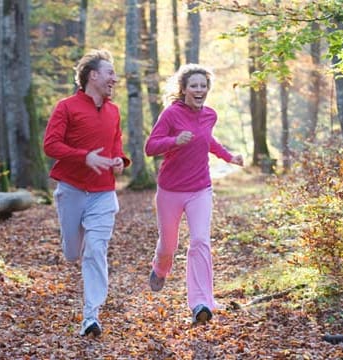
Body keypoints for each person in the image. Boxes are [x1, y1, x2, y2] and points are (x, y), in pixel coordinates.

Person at [144, 64, 244, 325]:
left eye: (203, 86)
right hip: (170, 191)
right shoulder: (171, 114)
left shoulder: (210, 115)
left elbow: (207, 140)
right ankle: (160, 267)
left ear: (207, 89)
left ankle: (201, 302)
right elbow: (150, 146)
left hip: (200, 189)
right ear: (184, 89)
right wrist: (174, 141)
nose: (199, 90)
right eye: (194, 86)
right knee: (169, 245)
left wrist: (229, 156)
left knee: (200, 241)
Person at [43, 49, 131, 337]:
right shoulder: (66, 107)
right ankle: (75, 242)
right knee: (72, 252)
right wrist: (85, 157)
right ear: (93, 75)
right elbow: (51, 146)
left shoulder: (113, 111)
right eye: (110, 73)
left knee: (95, 250)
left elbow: (115, 144)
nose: (114, 79)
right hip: (71, 190)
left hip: (104, 192)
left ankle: (91, 316)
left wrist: (119, 161)